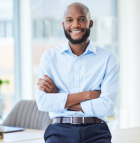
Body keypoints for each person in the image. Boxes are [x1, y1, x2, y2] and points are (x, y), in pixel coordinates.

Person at [35, 2, 120, 143]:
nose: (75, 25)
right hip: (58, 131)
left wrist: (58, 97)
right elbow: (43, 102)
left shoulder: (108, 58)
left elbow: (107, 107)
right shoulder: (49, 57)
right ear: (63, 24)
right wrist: (88, 95)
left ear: (90, 23)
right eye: (69, 20)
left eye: (81, 19)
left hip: (96, 130)